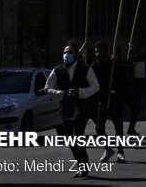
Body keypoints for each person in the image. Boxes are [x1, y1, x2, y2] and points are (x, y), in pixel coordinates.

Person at [45, 40, 99, 178]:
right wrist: (62, 94)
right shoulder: (57, 70)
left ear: (76, 54)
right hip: (66, 109)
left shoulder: (85, 69)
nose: (66, 55)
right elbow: (48, 88)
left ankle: (84, 166)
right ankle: (80, 164)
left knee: (78, 136)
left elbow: (95, 87)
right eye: (64, 52)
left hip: (81, 109)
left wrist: (79, 92)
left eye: (69, 52)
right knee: (70, 140)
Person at [90, 41, 127, 163]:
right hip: (102, 99)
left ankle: (121, 152)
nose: (98, 53)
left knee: (118, 127)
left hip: (115, 99)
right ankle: (108, 149)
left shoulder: (112, 64)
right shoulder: (94, 66)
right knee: (99, 128)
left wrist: (116, 65)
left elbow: (124, 76)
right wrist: (102, 92)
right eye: (96, 51)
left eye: (100, 50)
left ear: (105, 51)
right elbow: (91, 84)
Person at [124, 43, 146, 136]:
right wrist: (131, 50)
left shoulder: (141, 58)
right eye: (143, 49)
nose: (144, 51)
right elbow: (132, 60)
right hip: (135, 85)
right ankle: (130, 128)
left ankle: (131, 128)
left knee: (136, 108)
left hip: (139, 84)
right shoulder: (137, 58)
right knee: (135, 108)